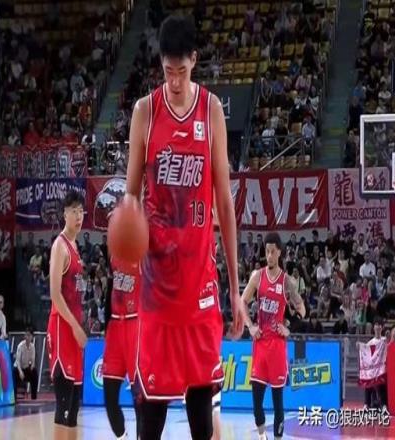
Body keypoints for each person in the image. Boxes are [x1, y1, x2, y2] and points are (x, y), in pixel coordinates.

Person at [124, 15, 244, 440]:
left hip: (200, 287)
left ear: (194, 60)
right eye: (167, 71)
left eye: (181, 70)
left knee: (201, 412)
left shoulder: (211, 111)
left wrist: (236, 289)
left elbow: (225, 205)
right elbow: (131, 198)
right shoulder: (145, 111)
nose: (174, 81)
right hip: (156, 287)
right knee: (151, 416)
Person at [241, 232, 306, 440]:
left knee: (278, 403)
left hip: (277, 346)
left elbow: (302, 309)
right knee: (256, 404)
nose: (269, 255)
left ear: (279, 253)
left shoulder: (287, 282)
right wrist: (250, 326)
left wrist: (289, 327)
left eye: (272, 252)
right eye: (266, 252)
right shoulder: (257, 276)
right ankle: (262, 436)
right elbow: (242, 302)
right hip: (260, 344)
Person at [47, 190, 87, 440]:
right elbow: (54, 294)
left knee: (74, 408)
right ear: (64, 214)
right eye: (74, 212)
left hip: (74, 331)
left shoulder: (76, 247)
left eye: (81, 211)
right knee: (63, 407)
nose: (78, 216)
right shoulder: (59, 247)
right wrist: (74, 326)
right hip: (63, 329)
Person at [102, 257, 141, 440]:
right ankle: (122, 436)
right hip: (115, 326)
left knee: (140, 399)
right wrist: (106, 325)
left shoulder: (144, 253)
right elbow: (110, 288)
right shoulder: (114, 256)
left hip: (136, 324)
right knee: (109, 397)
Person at [13, 327, 38, 401]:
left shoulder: (32, 346)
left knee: (35, 373)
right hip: (18, 368)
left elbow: (33, 360)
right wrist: (20, 372)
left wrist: (32, 365)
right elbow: (17, 361)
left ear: (32, 337)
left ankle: (34, 398)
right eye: (26, 335)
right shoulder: (20, 346)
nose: (27, 337)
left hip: (26, 368)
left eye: (29, 335)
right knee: (14, 375)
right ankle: (14, 399)